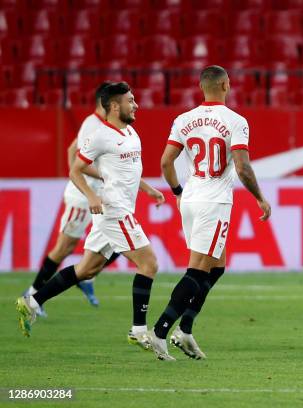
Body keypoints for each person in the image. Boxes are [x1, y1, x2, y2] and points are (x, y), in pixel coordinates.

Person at [16, 82, 165, 351]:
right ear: (115, 105)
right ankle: (139, 330)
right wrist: (92, 197)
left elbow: (125, 173)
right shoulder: (99, 135)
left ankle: (32, 302)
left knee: (87, 269)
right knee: (149, 263)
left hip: (120, 209)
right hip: (113, 211)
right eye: (131, 100)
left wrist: (148, 189)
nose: (136, 104)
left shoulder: (131, 132)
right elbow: (76, 169)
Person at [147, 65, 271, 361]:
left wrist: (177, 192)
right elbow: (242, 167)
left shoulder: (183, 119)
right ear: (226, 85)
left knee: (216, 266)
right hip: (214, 201)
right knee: (198, 268)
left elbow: (166, 163)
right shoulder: (236, 121)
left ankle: (186, 329)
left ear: (202, 87)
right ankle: (161, 331)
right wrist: (260, 198)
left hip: (191, 197)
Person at [23, 82, 118, 314]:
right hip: (83, 198)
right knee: (63, 248)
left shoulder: (95, 124)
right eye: (115, 102)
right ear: (105, 103)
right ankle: (33, 293)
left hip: (92, 195)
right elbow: (78, 163)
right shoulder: (93, 126)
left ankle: (85, 277)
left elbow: (70, 150)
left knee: (117, 242)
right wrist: (86, 183)